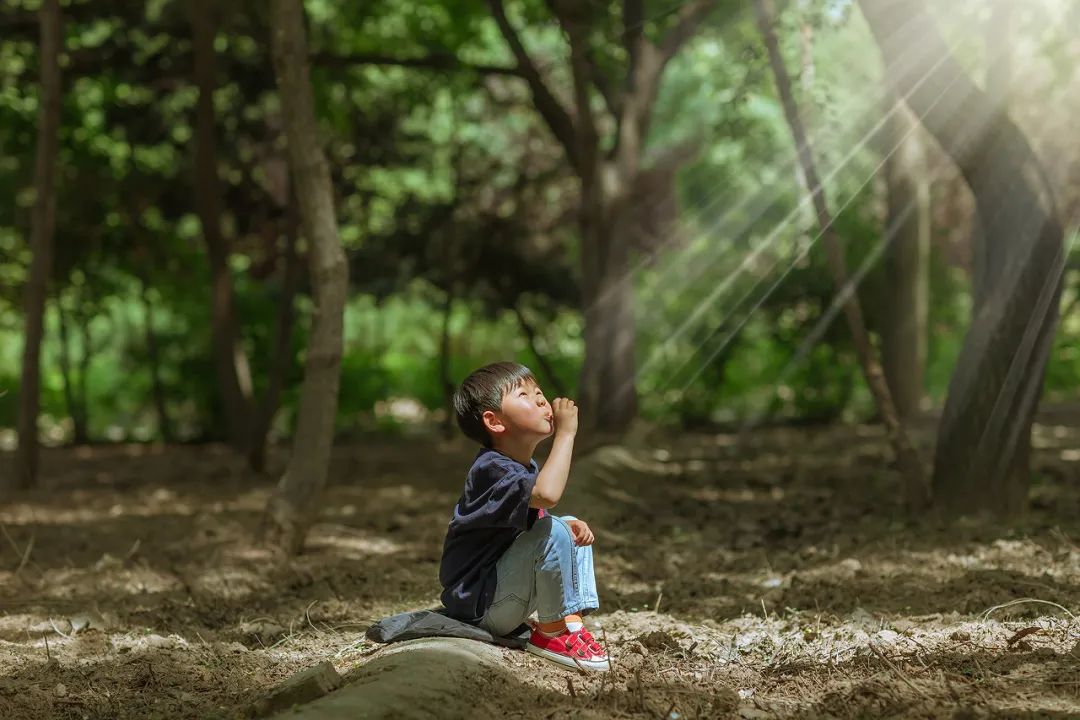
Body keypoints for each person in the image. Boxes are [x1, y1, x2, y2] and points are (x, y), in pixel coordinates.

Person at [438, 361, 609, 671]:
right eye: (525, 395)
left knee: (567, 527)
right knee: (555, 528)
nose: (542, 400)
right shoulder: (491, 469)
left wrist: (565, 526)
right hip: (481, 608)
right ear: (495, 422)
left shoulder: (520, 467)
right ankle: (551, 634)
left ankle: (570, 624)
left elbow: (533, 521)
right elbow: (548, 495)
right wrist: (566, 435)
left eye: (539, 392)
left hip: (502, 597)